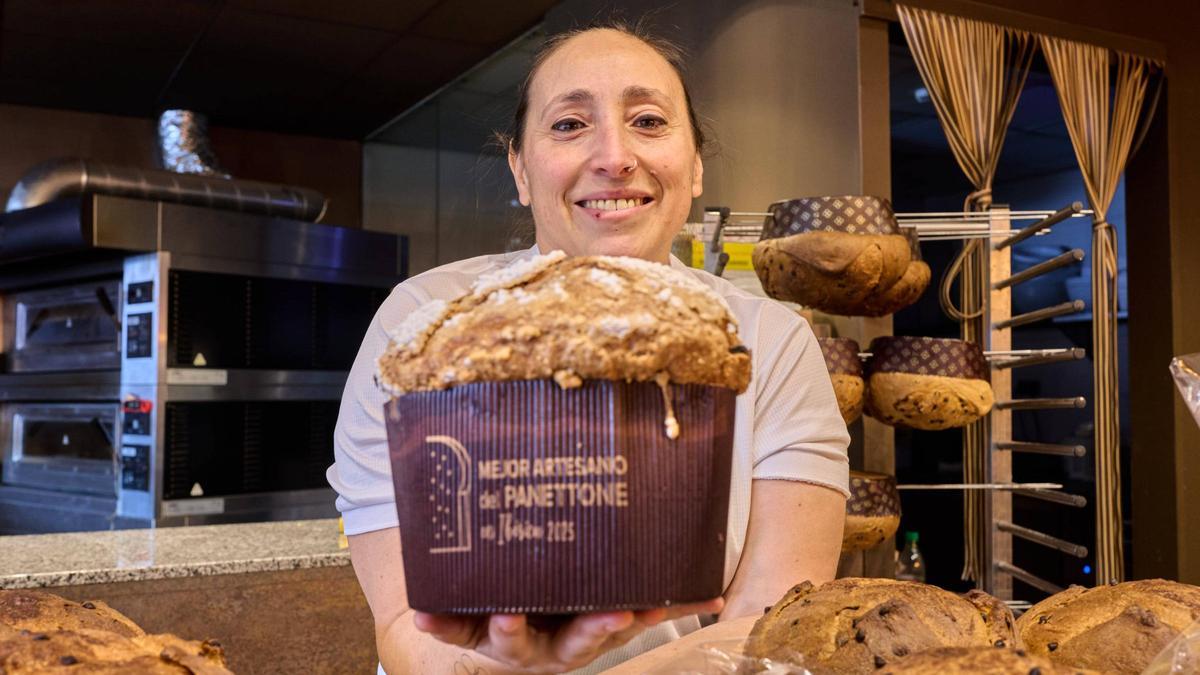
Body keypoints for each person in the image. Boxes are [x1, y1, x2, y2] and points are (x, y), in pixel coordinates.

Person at [329, 21, 850, 674]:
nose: (615, 155)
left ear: (694, 167)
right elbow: (408, 628)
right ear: (520, 168)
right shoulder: (423, 329)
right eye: (570, 124)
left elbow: (773, 624)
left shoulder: (770, 345)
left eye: (650, 121)